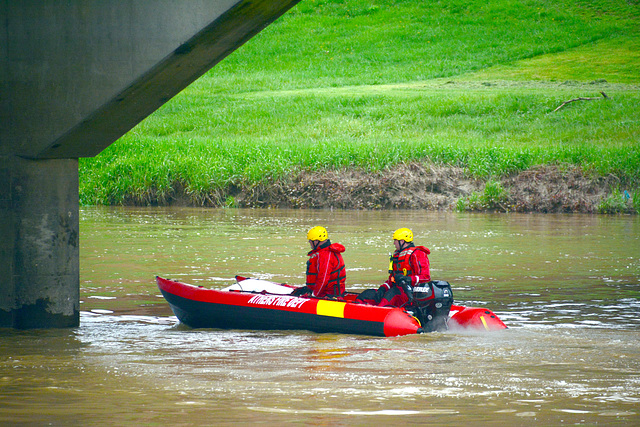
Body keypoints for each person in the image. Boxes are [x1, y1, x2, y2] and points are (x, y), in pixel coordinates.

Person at [356, 227, 430, 307]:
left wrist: (407, 279)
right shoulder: (397, 255)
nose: (394, 243)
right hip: (397, 290)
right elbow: (392, 278)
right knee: (367, 294)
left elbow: (425, 278)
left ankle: (380, 312)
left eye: (395, 240)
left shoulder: (418, 254)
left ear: (402, 241)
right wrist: (383, 288)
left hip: (410, 294)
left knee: (392, 294)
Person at [291, 226, 346, 298]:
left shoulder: (326, 255)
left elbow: (323, 279)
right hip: (322, 291)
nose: (309, 242)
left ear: (316, 241)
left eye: (310, 240)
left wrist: (314, 295)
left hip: (329, 294)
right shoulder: (322, 253)